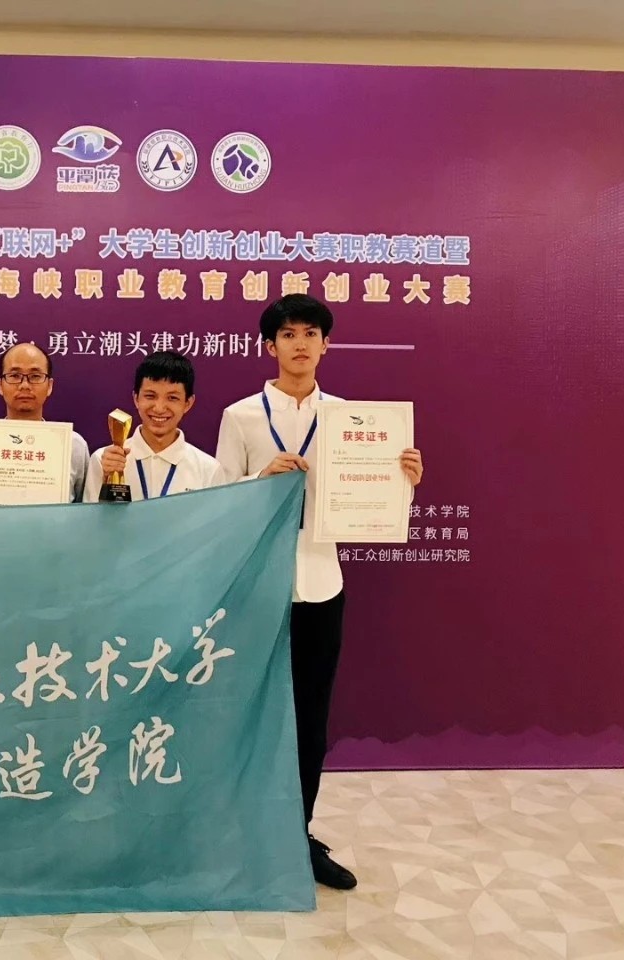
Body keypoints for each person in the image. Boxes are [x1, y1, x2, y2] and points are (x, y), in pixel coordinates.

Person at [215, 294, 424, 890]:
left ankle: (296, 835)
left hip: (321, 584)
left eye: (311, 333)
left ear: (326, 345)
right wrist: (260, 481)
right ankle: (240, 833)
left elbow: (375, 507)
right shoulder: (241, 417)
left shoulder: (351, 419)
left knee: (310, 718)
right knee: (248, 715)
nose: (300, 343)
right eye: (288, 334)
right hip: (258, 589)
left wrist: (403, 481)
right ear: (270, 345)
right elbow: (220, 502)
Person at [83, 351, 226, 502]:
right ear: (136, 398)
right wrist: (107, 480)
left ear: (187, 403)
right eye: (150, 396)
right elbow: (90, 516)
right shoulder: (104, 461)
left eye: (172, 398)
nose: (159, 408)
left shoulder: (208, 470)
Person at [0, 342, 89, 504]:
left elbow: (83, 507)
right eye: (14, 376)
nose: (25, 385)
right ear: (0, 385)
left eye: (35, 376)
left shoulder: (74, 446)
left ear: (49, 386)